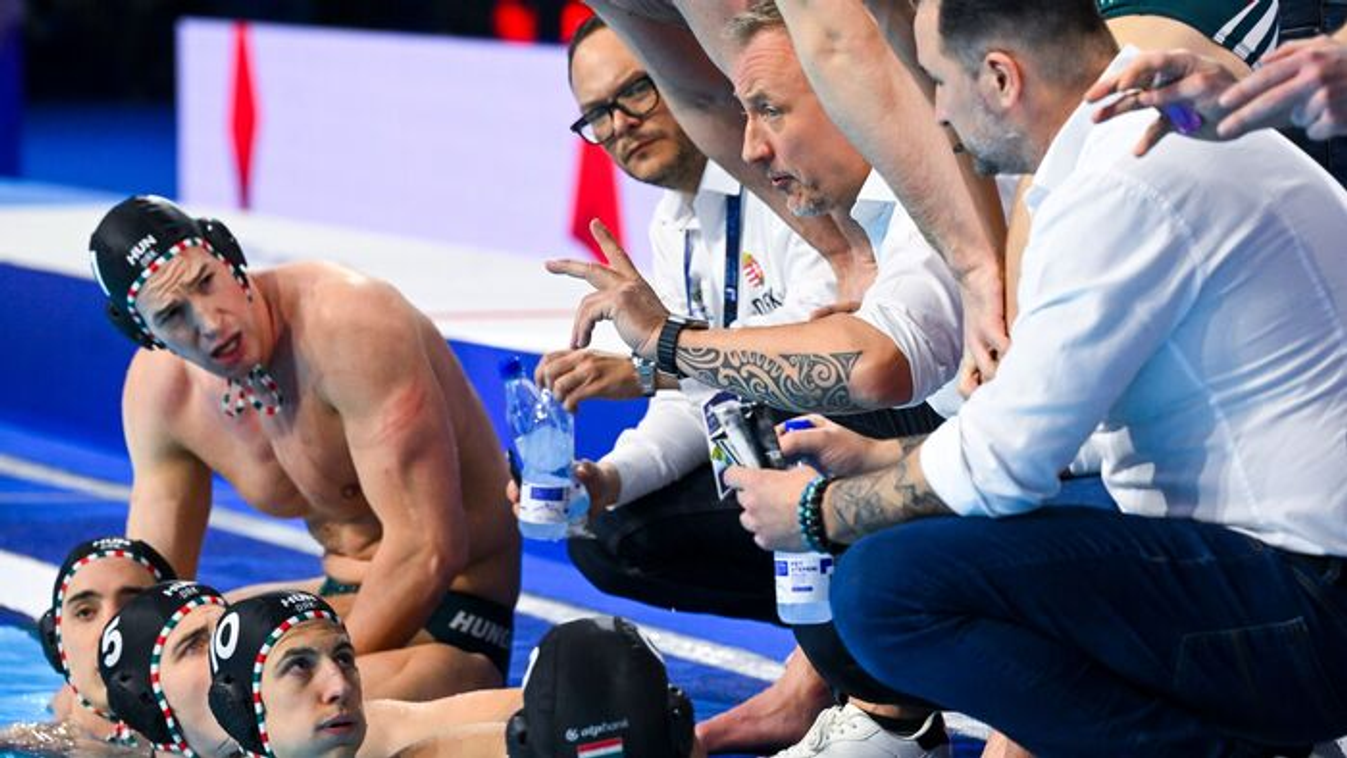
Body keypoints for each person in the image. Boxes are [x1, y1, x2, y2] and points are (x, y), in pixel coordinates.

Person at [727, 0, 1347, 752]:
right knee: (951, 530)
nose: (936, 112)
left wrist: (816, 510)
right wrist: (886, 458)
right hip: (1298, 573)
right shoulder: (1121, 146)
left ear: (1000, 77)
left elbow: (1006, 463)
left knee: (887, 588)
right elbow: (1068, 441)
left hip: (1314, 603)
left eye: (937, 80)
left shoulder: (1122, 176)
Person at [88, 195, 520, 701]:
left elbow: (429, 549)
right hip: (338, 597)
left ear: (228, 256)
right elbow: (156, 593)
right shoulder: (165, 391)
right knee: (116, 697)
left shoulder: (347, 324)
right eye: (172, 314)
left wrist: (297, 675)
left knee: (269, 714)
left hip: (455, 612)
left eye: (206, 282)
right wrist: (124, 684)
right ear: (146, 334)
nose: (210, 323)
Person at [529, 13, 838, 626]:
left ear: (688, 71)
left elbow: (833, 351)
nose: (621, 123)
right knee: (605, 535)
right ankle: (831, 646)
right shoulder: (673, 224)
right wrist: (606, 480)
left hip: (855, 442)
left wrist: (655, 366)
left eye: (636, 90)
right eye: (598, 114)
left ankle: (848, 657)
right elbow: (693, 411)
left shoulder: (784, 173)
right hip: (768, 454)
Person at [37, 537, 177, 745]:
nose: (108, 633)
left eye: (133, 608)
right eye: (85, 612)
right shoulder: (28, 745)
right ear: (56, 645)